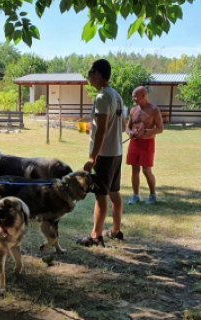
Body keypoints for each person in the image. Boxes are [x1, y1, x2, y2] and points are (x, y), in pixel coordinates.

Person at [76, 59, 126, 247]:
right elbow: (121, 126)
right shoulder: (117, 96)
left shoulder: (102, 97)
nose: (89, 79)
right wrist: (93, 128)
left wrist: (92, 157)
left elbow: (104, 129)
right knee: (114, 192)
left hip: (104, 155)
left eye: (90, 74)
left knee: (101, 195)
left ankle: (96, 236)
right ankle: (116, 230)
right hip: (116, 152)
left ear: (97, 74)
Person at [126, 86, 163, 205]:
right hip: (134, 143)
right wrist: (129, 133)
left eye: (136, 97)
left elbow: (160, 128)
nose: (134, 99)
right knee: (134, 170)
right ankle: (135, 196)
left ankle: (152, 195)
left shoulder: (154, 110)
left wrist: (146, 132)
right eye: (133, 97)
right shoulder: (133, 110)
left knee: (146, 170)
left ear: (144, 96)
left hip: (147, 143)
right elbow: (127, 127)